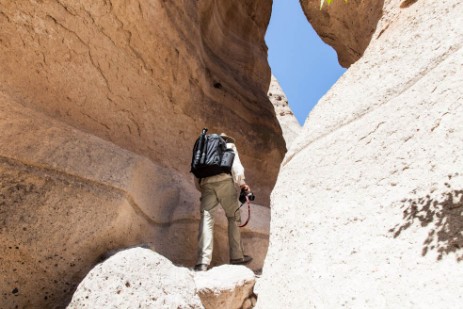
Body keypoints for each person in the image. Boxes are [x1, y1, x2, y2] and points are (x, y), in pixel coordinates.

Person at [194, 132, 253, 271]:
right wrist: (242, 184)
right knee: (233, 217)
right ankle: (237, 256)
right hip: (225, 181)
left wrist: (203, 188)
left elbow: (196, 172)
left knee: (207, 219)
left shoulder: (204, 148)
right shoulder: (229, 145)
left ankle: (202, 262)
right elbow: (236, 165)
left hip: (206, 183)